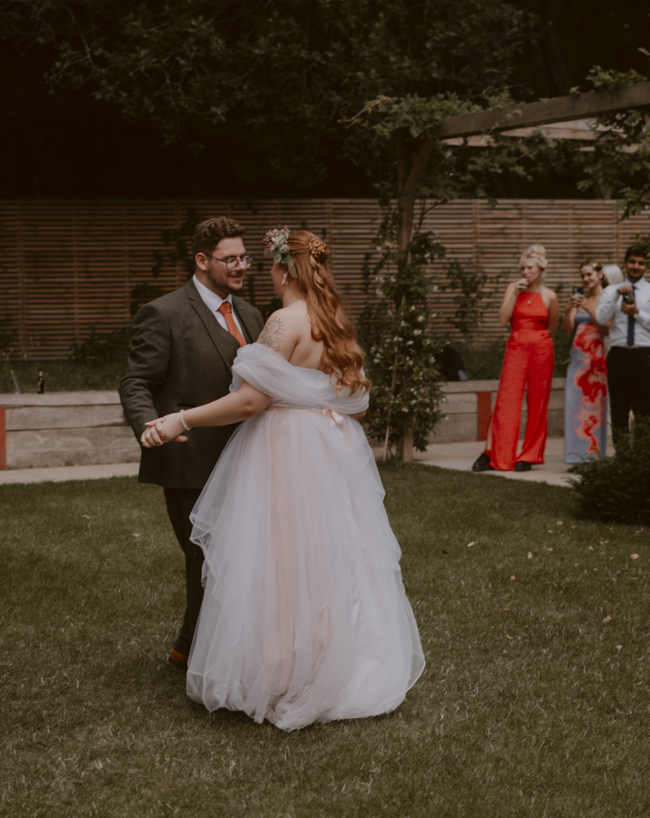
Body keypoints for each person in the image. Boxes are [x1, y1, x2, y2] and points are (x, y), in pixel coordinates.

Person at [141, 228, 425, 731]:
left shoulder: (282, 320)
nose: (264, 275)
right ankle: (327, 666)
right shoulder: (334, 322)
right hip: (327, 450)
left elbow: (250, 401)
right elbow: (357, 404)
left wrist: (179, 419)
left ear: (284, 270)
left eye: (269, 265)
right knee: (324, 554)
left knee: (278, 557)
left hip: (283, 449)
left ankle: (280, 674)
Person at [119, 217, 264, 672]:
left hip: (251, 460)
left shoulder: (254, 316)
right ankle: (194, 654)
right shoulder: (164, 313)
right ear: (202, 260)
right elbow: (136, 381)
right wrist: (147, 426)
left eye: (244, 257)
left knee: (238, 562)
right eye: (230, 259)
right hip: (191, 461)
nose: (241, 266)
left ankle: (197, 650)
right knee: (207, 562)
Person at [472, 244, 559, 472]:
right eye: (522, 268)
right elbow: (503, 318)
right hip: (516, 347)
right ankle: (496, 454)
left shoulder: (550, 295)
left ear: (541, 269)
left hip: (541, 349)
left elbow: (552, 326)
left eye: (529, 268)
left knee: (538, 401)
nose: (525, 272)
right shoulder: (513, 288)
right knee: (506, 400)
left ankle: (529, 455)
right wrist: (515, 294)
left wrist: (537, 339)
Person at [595, 245, 650, 433]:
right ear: (625, 264)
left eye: (641, 263)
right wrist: (616, 296)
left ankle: (642, 452)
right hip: (618, 356)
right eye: (632, 262)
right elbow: (601, 318)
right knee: (618, 411)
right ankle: (622, 452)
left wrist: (636, 313)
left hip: (644, 356)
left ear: (645, 266)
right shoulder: (611, 290)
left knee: (644, 412)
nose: (636, 266)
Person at [562, 260, 609, 464]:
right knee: (573, 406)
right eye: (582, 275)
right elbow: (567, 328)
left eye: (589, 274)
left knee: (595, 406)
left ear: (600, 274)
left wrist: (590, 309)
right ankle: (575, 458)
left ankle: (593, 457)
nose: (585, 279)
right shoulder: (580, 299)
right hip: (577, 358)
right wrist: (568, 309)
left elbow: (606, 328)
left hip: (597, 358)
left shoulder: (607, 298)